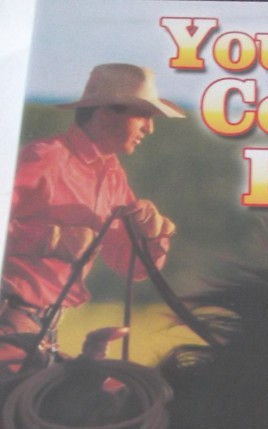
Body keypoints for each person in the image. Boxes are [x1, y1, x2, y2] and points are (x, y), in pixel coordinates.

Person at [0, 63, 185, 369]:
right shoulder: (45, 158)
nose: (149, 128)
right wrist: (52, 239)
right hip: (10, 329)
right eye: (143, 115)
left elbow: (132, 267)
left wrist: (152, 235)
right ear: (106, 113)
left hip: (40, 333)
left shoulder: (112, 176)